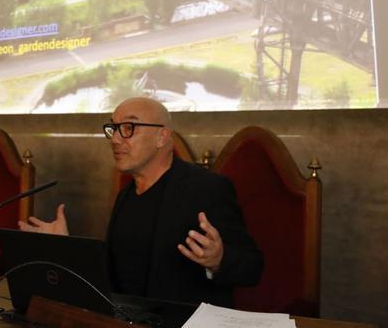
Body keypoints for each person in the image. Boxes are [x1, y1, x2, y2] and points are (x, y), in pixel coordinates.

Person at [19, 97, 262, 307]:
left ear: (161, 137)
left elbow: (252, 267)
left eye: (128, 128)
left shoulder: (206, 188)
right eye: (113, 128)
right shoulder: (126, 194)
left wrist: (218, 261)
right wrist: (66, 248)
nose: (115, 139)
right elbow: (113, 276)